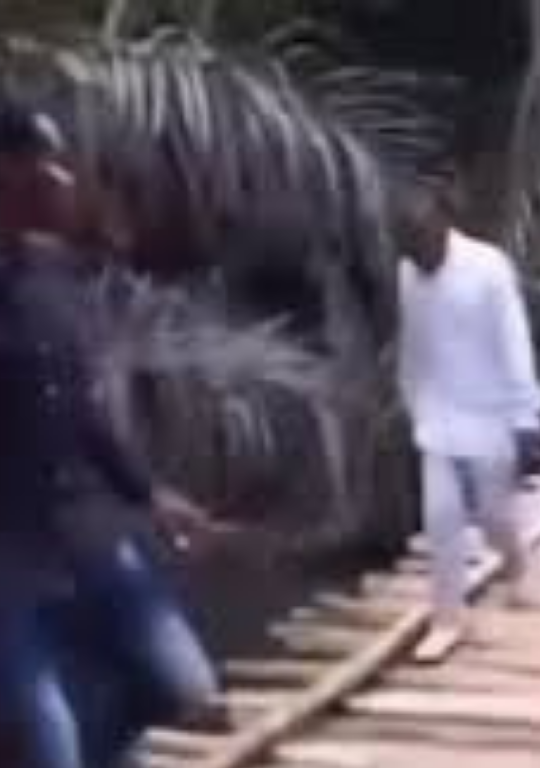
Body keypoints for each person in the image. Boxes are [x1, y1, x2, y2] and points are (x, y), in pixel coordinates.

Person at [0, 97, 222, 768]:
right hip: (11, 559)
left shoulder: (52, 275)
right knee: (53, 740)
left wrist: (149, 493)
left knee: (191, 692)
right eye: (42, 163)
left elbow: (82, 408)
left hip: (88, 530)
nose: (61, 178)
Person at [397, 191, 540, 663]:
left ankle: (516, 562)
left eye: (423, 243)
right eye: (410, 248)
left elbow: (514, 338)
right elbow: (413, 343)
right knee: (440, 517)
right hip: (437, 415)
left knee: (492, 515)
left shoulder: (488, 267)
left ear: (443, 226)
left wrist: (525, 414)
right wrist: (411, 400)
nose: (418, 256)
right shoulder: (408, 274)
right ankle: (448, 619)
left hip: (490, 412)